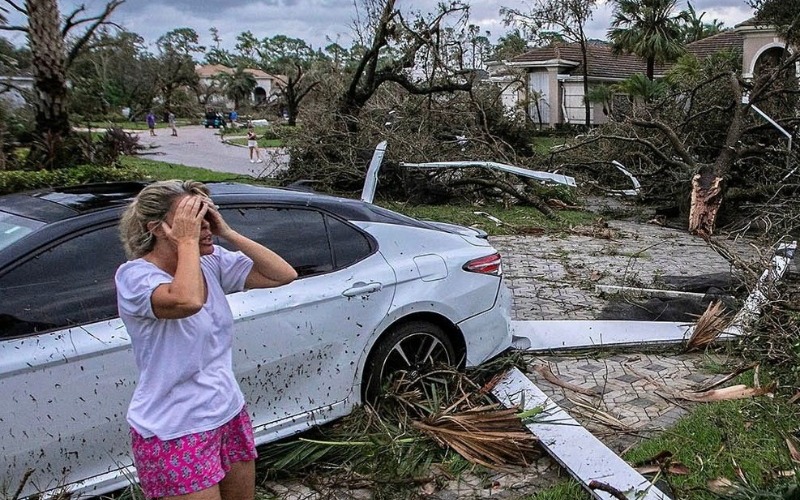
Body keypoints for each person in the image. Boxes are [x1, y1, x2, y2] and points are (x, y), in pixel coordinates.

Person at [115, 180, 297, 500]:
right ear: (157, 228)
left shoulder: (210, 262)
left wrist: (227, 232)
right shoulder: (135, 278)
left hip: (227, 412)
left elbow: (283, 274)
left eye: (206, 217)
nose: (204, 228)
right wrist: (187, 241)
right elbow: (187, 300)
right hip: (174, 429)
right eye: (192, 220)